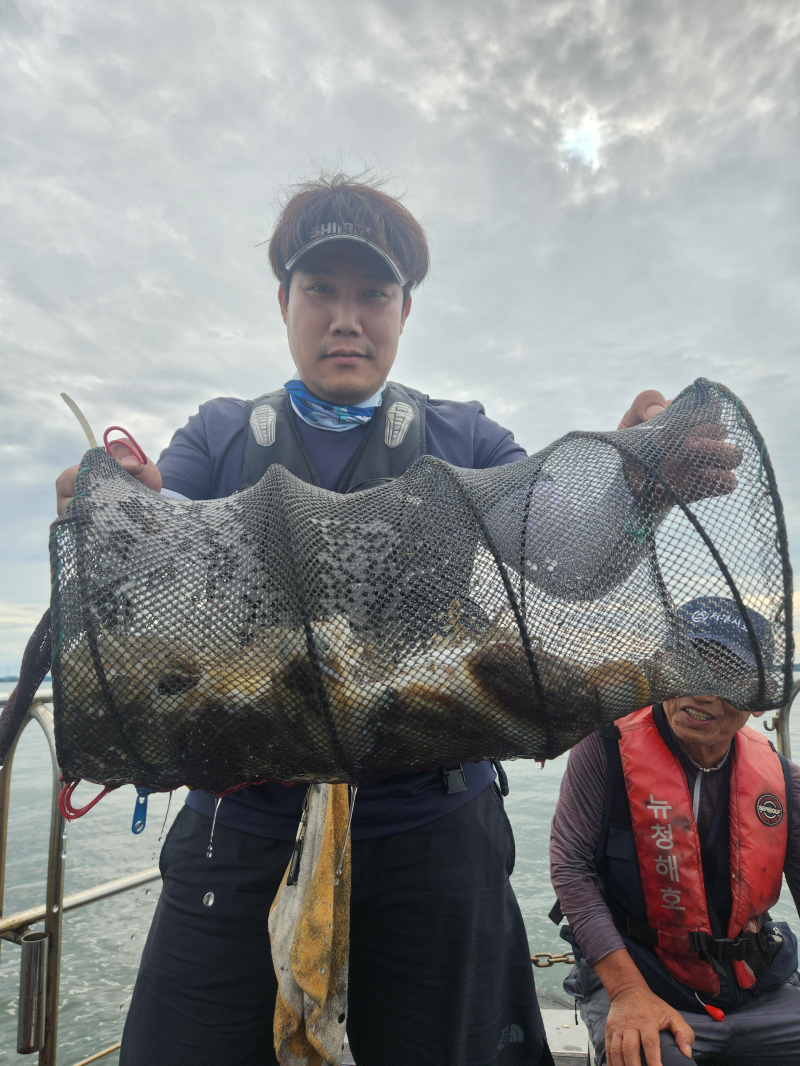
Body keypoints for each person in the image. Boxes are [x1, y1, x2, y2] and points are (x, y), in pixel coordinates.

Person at [55, 174, 740, 1066]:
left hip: (429, 829)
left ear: (405, 309)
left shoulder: (461, 438)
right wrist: (121, 515)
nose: (347, 318)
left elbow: (563, 550)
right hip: (245, 829)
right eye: (321, 291)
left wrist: (635, 490)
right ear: (284, 302)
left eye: (372, 294)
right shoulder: (224, 435)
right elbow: (159, 535)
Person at [550, 596, 800, 1066]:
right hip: (643, 980)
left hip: (759, 988)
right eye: (685, 667)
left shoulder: (783, 778)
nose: (698, 693)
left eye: (723, 674)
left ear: (758, 692)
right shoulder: (603, 749)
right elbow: (571, 871)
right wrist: (626, 991)